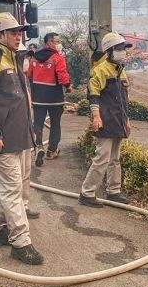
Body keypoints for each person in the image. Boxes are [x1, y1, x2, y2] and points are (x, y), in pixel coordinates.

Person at [0, 13, 43, 265]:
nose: (18, 36)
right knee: (12, 190)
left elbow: (22, 99)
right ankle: (21, 242)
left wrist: (31, 130)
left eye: (19, 32)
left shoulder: (14, 59)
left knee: (4, 186)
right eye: (13, 32)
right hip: (1, 138)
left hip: (20, 136)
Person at [79, 32, 134, 207]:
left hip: (118, 120)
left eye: (123, 49)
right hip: (105, 120)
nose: (123, 52)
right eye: (119, 49)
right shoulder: (100, 70)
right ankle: (87, 193)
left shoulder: (121, 70)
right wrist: (96, 117)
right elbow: (93, 96)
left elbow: (124, 98)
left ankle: (114, 191)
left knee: (115, 159)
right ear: (109, 50)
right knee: (102, 158)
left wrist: (126, 119)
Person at [27, 32, 71, 165]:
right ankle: (51, 151)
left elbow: (29, 74)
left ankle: (39, 146)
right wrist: (68, 87)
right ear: (49, 43)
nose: (59, 44)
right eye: (57, 41)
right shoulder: (58, 58)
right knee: (55, 124)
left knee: (38, 123)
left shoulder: (34, 58)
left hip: (38, 97)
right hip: (55, 98)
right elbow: (62, 75)